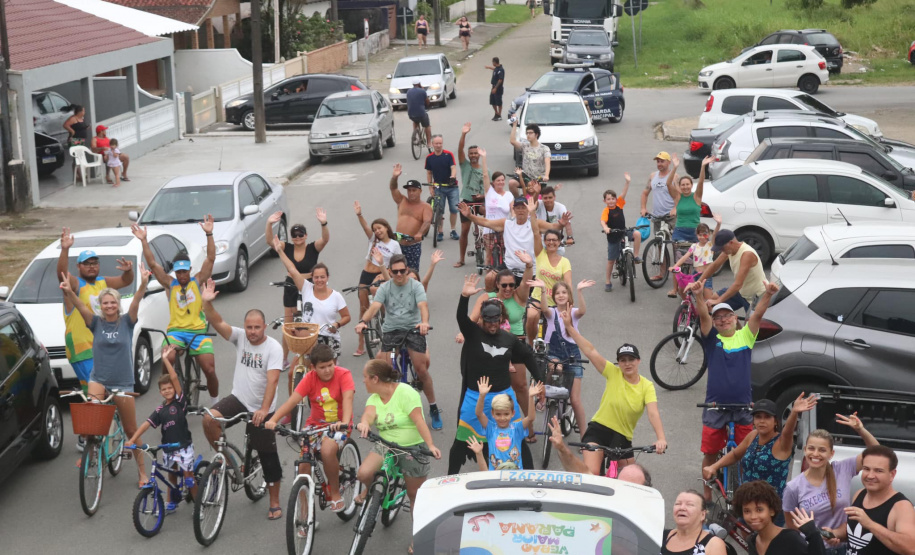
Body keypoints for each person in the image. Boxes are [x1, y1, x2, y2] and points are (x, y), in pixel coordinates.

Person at [686, 277, 780, 501]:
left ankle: (744, 493)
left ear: (734, 318)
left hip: (743, 406)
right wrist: (699, 296)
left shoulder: (745, 336)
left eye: (727, 315)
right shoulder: (712, 339)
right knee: (709, 453)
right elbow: (702, 315)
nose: (722, 320)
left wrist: (767, 294)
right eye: (718, 317)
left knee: (745, 452)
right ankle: (707, 496)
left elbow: (757, 314)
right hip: (714, 406)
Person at [199, 279, 285, 520]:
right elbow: (217, 321)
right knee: (208, 420)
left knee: (268, 456)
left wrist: (264, 409)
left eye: (257, 327)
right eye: (249, 327)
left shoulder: (274, 348)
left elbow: (273, 381)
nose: (252, 332)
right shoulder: (240, 338)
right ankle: (228, 462)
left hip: (262, 408)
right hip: (239, 399)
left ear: (265, 326)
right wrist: (206, 303)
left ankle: (275, 500)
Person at [59, 264, 150, 486]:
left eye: (113, 302)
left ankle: (142, 472)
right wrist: (69, 291)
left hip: (122, 382)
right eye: (105, 302)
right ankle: (91, 453)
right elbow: (80, 306)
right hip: (98, 379)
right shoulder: (95, 322)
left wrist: (144, 283)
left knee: (131, 429)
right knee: (91, 424)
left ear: (118, 305)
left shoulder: (127, 322)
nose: (109, 306)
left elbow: (137, 299)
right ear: (100, 305)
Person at [449, 274, 544, 475]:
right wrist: (464, 296)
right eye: (489, 321)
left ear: (501, 319)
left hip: (504, 397)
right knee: (461, 442)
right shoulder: (473, 333)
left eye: (496, 321)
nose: (493, 325)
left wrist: (541, 381)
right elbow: (460, 318)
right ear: (483, 319)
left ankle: (530, 481)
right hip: (476, 397)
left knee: (518, 440)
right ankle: (450, 481)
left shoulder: (509, 339)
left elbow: (528, 356)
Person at [355, 359, 442, 555]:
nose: (363, 382)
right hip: (385, 444)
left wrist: (430, 445)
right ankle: (372, 493)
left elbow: (419, 421)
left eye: (365, 378)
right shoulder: (374, 397)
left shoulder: (405, 393)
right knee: (363, 473)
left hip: (411, 447)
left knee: (414, 496)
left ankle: (418, 537)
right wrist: (365, 424)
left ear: (375, 378)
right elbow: (368, 415)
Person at [562, 316, 667, 475]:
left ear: (638, 361)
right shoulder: (613, 372)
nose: (627, 363)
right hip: (598, 431)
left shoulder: (647, 386)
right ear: (618, 363)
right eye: (623, 360)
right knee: (592, 474)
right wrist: (570, 327)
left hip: (622, 438)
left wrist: (661, 438)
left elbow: (653, 413)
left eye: (631, 359)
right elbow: (590, 351)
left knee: (632, 478)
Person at [132, 218, 218, 405]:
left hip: (198, 332)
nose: (182, 276)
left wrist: (209, 234)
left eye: (184, 272)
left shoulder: (197, 280)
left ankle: (215, 402)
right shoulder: (170, 284)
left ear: (190, 270)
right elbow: (153, 264)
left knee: (209, 369)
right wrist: (144, 241)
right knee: (167, 358)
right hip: (176, 333)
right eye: (178, 273)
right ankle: (170, 397)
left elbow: (210, 258)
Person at [354, 255, 441, 430]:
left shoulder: (415, 286)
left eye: (403, 271)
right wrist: (363, 321)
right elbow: (375, 307)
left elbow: (423, 306)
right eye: (395, 271)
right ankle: (386, 407)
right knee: (385, 369)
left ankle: (433, 408)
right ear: (390, 272)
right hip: (391, 330)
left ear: (407, 270)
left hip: (413, 329)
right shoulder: (385, 288)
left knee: (421, 369)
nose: (399, 274)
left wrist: (424, 323)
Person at [265, 344, 354, 512]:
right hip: (315, 426)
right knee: (303, 469)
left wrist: (344, 423)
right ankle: (304, 516)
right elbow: (292, 401)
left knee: (328, 451)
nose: (328, 370)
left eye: (330, 365)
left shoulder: (344, 375)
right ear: (313, 368)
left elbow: (348, 399)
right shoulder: (310, 379)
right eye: (322, 367)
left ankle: (335, 494)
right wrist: (274, 420)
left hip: (339, 425)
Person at [703, 395, 817, 523]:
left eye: (767, 417)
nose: (762, 421)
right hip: (747, 502)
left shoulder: (781, 444)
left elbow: (788, 431)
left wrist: (794, 413)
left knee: (765, 542)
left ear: (775, 421)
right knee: (745, 539)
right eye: (758, 417)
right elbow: (735, 454)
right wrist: (714, 466)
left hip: (770, 509)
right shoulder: (753, 435)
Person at [783, 415, 880, 554]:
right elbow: (791, 525)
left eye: (822, 450)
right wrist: (818, 537)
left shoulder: (843, 469)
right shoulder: (794, 487)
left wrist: (861, 430)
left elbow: (877, 454)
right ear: (805, 450)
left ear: (831, 453)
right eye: (811, 448)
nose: (815, 454)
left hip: (843, 548)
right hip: (811, 550)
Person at [57, 228, 135, 397]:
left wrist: (129, 270)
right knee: (95, 393)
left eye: (94, 263)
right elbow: (62, 275)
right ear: (78, 266)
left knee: (108, 392)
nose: (91, 267)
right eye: (87, 264)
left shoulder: (102, 282)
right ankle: (102, 422)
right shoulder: (75, 284)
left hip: (100, 347)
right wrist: (65, 249)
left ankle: (114, 422)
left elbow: (125, 281)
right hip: (81, 348)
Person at [126, 344, 196, 510]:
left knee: (189, 478)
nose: (167, 391)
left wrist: (165, 359)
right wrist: (133, 439)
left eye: (170, 388)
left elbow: (173, 378)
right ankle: (172, 501)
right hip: (168, 448)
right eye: (163, 389)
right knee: (171, 475)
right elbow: (145, 425)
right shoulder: (160, 410)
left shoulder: (180, 403)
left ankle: (199, 504)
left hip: (184, 447)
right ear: (160, 392)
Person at [529, 279, 594, 439]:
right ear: (553, 296)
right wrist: (543, 290)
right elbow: (544, 308)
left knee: (575, 400)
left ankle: (584, 438)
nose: (561, 295)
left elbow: (583, 311)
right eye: (557, 293)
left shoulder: (573, 312)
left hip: (573, 355)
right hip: (555, 353)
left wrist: (579, 291)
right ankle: (544, 397)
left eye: (564, 292)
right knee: (554, 368)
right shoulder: (551, 313)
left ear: (568, 295)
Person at [265, 208, 329, 365]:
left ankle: (316, 353)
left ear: (306, 236)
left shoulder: (313, 247)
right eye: (294, 235)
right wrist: (269, 223)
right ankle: (284, 358)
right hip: (291, 285)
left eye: (301, 235)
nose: (298, 238)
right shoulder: (286, 247)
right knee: (288, 322)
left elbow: (325, 239)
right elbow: (269, 241)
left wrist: (323, 223)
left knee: (311, 320)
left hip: (310, 286)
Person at [275, 241, 350, 361]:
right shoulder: (306, 288)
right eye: (316, 277)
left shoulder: (336, 296)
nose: (319, 280)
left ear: (327, 278)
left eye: (322, 277)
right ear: (312, 277)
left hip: (328, 337)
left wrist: (337, 324)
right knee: (292, 373)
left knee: (327, 372)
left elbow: (346, 317)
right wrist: (279, 251)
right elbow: (292, 269)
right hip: (309, 337)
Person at [843, 446, 915, 555]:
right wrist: (833, 534)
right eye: (866, 469)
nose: (870, 475)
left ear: (892, 474)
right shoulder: (860, 494)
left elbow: (911, 547)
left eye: (878, 471)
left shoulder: (901, 507)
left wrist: (870, 524)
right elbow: (853, 530)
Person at [353, 202, 401, 357]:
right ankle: (361, 344)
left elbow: (398, 262)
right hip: (366, 274)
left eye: (379, 228)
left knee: (379, 303)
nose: (377, 231)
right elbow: (365, 226)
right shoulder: (373, 239)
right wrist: (359, 214)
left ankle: (386, 328)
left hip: (380, 275)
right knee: (363, 308)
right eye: (375, 230)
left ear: (386, 228)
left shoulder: (394, 244)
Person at [546, 416, 652, 485]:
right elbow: (582, 472)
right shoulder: (609, 489)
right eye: (621, 485)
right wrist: (561, 448)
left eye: (630, 488)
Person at [734, 480, 827, 555]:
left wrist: (814, 535)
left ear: (772, 510)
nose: (753, 516)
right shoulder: (752, 541)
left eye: (759, 510)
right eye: (747, 511)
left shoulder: (791, 539)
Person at [469, 377, 543, 470]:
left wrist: (531, 397)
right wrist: (482, 396)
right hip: (495, 477)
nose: (502, 418)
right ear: (493, 414)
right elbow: (479, 414)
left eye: (506, 414)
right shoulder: (490, 428)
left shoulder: (517, 428)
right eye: (498, 414)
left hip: (515, 477)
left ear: (513, 413)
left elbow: (530, 418)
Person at [665, 153, 711, 296]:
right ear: (679, 186)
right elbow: (668, 183)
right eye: (683, 185)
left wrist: (703, 166)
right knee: (678, 260)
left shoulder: (696, 197)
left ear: (691, 186)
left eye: (687, 184)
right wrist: (675, 167)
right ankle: (674, 288)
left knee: (697, 261)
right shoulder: (677, 197)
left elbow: (702, 182)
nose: (685, 187)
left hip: (695, 232)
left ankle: (695, 284)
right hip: (680, 231)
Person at [698, 229, 768, 314]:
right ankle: (731, 323)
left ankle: (733, 322)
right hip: (741, 292)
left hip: (754, 296)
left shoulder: (747, 254)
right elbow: (715, 265)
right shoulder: (729, 250)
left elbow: (738, 284)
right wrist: (698, 282)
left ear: (731, 243)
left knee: (751, 326)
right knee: (712, 304)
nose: (721, 251)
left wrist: (719, 300)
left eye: (722, 248)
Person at [525, 229, 572, 344]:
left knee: (558, 331)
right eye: (548, 240)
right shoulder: (540, 254)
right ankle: (530, 344)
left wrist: (569, 303)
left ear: (560, 242)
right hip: (538, 297)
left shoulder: (565, 262)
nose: (551, 242)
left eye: (554, 240)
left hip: (556, 301)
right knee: (531, 316)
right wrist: (531, 213)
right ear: (544, 242)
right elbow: (536, 233)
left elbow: (568, 284)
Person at [600, 174, 642, 292]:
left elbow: (623, 193)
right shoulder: (606, 210)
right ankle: (608, 280)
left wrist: (627, 182)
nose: (611, 201)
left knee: (637, 234)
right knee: (611, 260)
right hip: (613, 236)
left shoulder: (619, 204)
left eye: (613, 198)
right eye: (608, 199)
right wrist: (606, 228)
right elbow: (603, 221)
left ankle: (636, 256)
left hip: (623, 231)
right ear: (605, 201)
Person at [455, 124, 488, 268]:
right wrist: (463, 134)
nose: (473, 155)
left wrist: (482, 195)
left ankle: (492, 252)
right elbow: (460, 149)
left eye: (476, 153)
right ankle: (461, 259)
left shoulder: (486, 170)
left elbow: (489, 188)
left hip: (481, 202)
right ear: (468, 155)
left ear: (479, 155)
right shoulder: (465, 165)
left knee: (489, 222)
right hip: (467, 202)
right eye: (471, 153)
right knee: (464, 231)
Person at [389, 164, 433, 272]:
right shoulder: (402, 201)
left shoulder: (425, 207)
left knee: (412, 272)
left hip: (412, 245)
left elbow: (427, 221)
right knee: (394, 271)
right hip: (397, 243)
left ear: (420, 191)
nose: (411, 193)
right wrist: (395, 177)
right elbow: (393, 188)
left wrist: (420, 233)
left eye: (414, 190)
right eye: (409, 190)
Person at [670, 215, 722, 300]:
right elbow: (684, 257)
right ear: (696, 235)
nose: (702, 237)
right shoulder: (694, 246)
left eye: (704, 234)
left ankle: (708, 311)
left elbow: (716, 233)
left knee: (708, 300)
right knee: (684, 291)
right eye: (699, 235)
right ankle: (688, 307)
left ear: (708, 234)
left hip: (706, 276)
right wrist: (675, 266)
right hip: (695, 274)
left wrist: (718, 224)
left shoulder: (710, 244)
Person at [661, 490, 728, 555]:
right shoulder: (661, 536)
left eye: (689, 505)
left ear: (702, 515)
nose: (682, 508)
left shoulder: (713, 544)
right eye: (678, 504)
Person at [425, 135, 459, 243]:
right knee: (439, 210)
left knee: (454, 209)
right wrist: (431, 187)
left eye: (440, 143)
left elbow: (453, 167)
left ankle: (453, 230)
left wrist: (452, 177)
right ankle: (440, 231)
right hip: (438, 187)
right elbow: (429, 172)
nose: (438, 145)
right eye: (436, 143)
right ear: (432, 144)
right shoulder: (429, 158)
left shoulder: (448, 155)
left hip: (452, 187)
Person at [640, 152, 678, 241]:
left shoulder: (674, 176)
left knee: (674, 242)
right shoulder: (653, 176)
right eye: (658, 162)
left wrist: (675, 208)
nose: (659, 164)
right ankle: (661, 256)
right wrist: (643, 208)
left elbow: (679, 195)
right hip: (657, 216)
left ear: (668, 162)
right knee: (659, 241)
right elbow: (645, 193)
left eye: (662, 161)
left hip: (670, 216)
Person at [481, 167, 512, 268]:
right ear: (493, 182)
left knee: (506, 254)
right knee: (488, 257)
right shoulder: (489, 192)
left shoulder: (509, 195)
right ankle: (488, 280)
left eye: (502, 180)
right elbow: (485, 175)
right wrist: (484, 157)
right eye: (498, 180)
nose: (501, 182)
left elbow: (513, 211)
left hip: (504, 228)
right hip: (489, 228)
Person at [63, 105, 90, 179]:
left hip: (81, 140)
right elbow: (65, 125)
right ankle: (78, 175)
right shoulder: (73, 118)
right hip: (75, 140)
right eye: (83, 110)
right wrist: (72, 131)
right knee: (76, 158)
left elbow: (80, 127)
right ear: (80, 111)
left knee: (81, 156)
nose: (84, 112)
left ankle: (80, 174)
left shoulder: (81, 119)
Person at [406, 80, 432, 148]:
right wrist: (428, 105)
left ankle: (415, 136)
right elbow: (427, 101)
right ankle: (429, 143)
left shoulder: (408, 91)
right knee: (427, 125)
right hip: (421, 113)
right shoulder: (422, 91)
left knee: (415, 121)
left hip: (411, 113)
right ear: (419, 84)